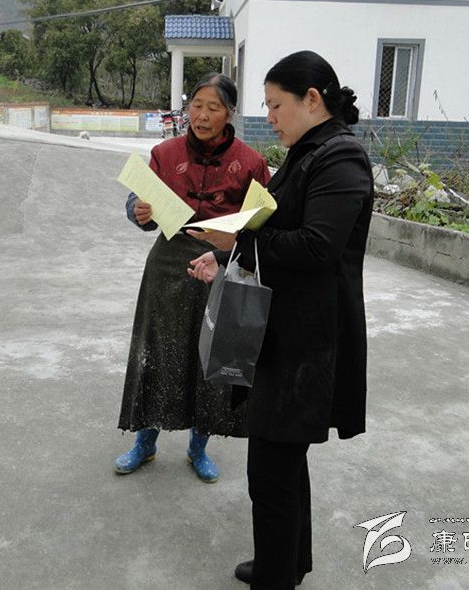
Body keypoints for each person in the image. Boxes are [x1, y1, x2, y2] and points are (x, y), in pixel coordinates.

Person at [188, 51, 374, 587]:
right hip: (286, 330)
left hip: (308, 342)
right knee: (285, 464)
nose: (268, 116)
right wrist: (224, 253)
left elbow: (317, 247)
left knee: (271, 471)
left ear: (310, 100)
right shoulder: (308, 152)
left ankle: (276, 576)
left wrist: (241, 241)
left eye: (275, 105)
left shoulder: (340, 160)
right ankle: (288, 564)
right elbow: (270, 224)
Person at [116, 73, 269, 483]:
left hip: (220, 263)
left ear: (229, 113)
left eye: (212, 108)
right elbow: (137, 201)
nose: (201, 115)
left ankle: (198, 448)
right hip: (167, 263)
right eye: (196, 106)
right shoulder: (164, 154)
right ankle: (145, 442)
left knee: (211, 356)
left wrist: (236, 245)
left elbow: (262, 220)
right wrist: (138, 211)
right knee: (156, 351)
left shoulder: (251, 163)